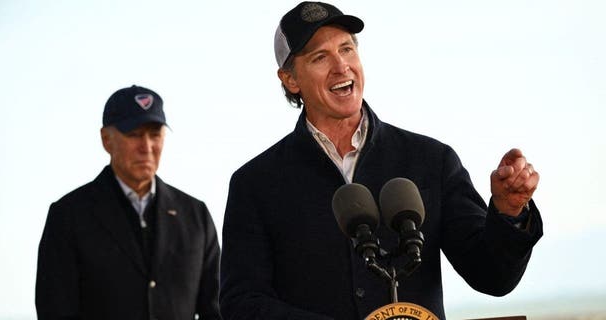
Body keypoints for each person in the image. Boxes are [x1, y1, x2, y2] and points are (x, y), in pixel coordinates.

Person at [219, 2, 543, 320]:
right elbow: (242, 303)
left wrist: (508, 212)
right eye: (320, 57)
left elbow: (492, 276)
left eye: (347, 49)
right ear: (291, 80)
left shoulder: (431, 160)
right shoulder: (255, 184)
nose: (341, 66)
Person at [36, 85, 222, 320]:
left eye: (155, 135)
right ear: (106, 140)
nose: (146, 147)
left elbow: (216, 309)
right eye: (133, 134)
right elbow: (55, 310)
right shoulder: (69, 217)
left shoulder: (196, 216)